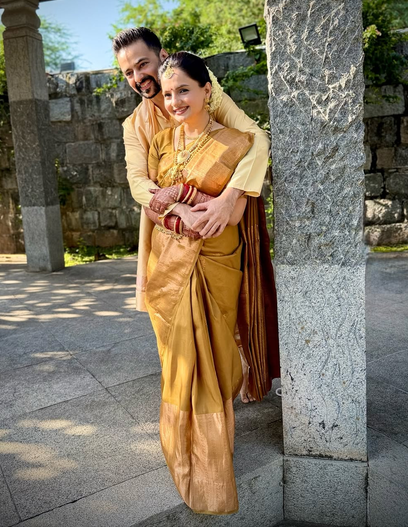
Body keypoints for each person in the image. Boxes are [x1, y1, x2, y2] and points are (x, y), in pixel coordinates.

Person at [128, 50, 278, 515]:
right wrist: (178, 206)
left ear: (206, 90)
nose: (173, 99)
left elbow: (241, 188)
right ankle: (192, 446)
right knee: (181, 355)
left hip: (215, 258)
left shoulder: (232, 136)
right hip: (167, 258)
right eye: (168, 92)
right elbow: (145, 190)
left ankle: (212, 436)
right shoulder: (153, 138)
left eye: (183, 90)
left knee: (217, 355)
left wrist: (220, 199)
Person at [113, 28, 271, 325]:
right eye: (128, 73)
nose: (138, 77)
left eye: (143, 64)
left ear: (162, 57)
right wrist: (180, 209)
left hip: (217, 221)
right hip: (168, 226)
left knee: (226, 319)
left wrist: (228, 199)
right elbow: (137, 182)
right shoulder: (134, 125)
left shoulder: (203, 92)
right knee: (173, 321)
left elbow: (257, 138)